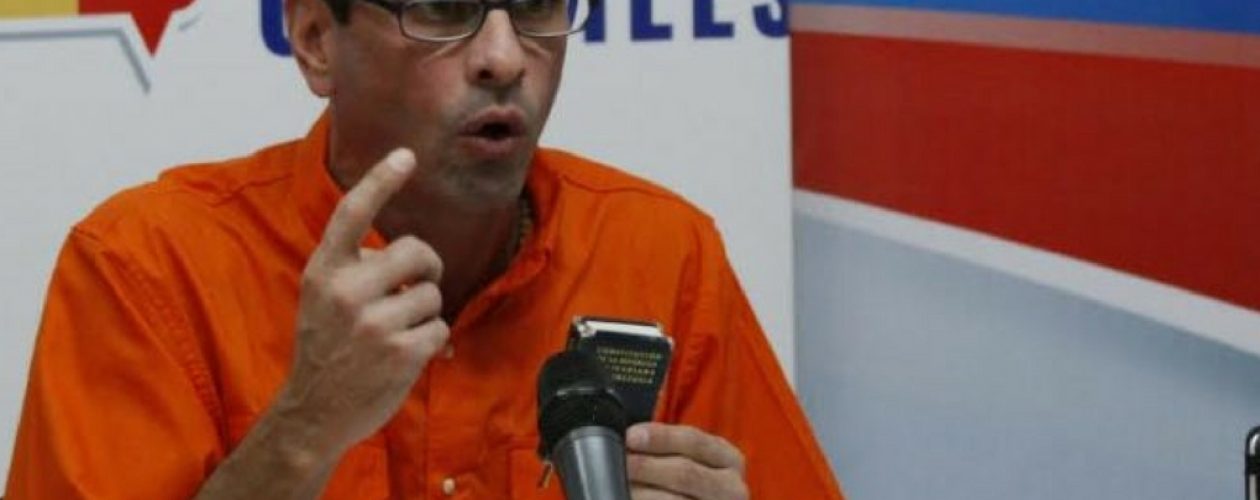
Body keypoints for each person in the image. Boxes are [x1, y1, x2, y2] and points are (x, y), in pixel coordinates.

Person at [6, 0, 844, 498]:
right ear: (315, 40)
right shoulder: (147, 264)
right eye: (441, 8)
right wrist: (304, 429)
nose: (504, 58)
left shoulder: (661, 251)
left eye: (535, 6)